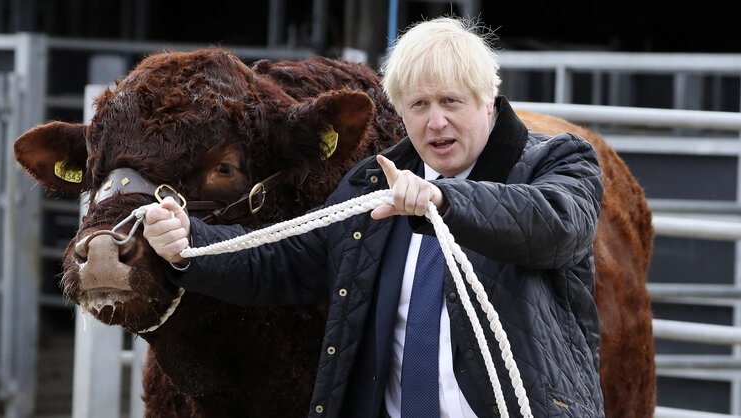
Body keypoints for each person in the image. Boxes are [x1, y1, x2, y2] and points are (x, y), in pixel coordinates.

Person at [143, 16, 605, 418]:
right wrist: (189, 244)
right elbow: (283, 263)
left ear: (489, 100)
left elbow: (557, 227)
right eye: (418, 105)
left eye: (451, 102)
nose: (436, 122)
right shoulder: (373, 183)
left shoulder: (559, 159)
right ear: (401, 111)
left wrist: (445, 201)